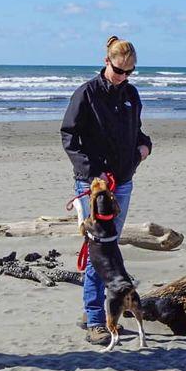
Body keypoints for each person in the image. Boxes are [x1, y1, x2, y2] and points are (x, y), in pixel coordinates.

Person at [61, 36, 152, 345]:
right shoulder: (86, 94)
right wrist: (92, 174)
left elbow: (137, 131)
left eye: (130, 72)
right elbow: (69, 138)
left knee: (110, 250)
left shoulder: (131, 95)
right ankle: (95, 319)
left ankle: (94, 313)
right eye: (119, 70)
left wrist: (143, 147)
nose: (124, 77)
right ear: (106, 62)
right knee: (98, 253)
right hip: (94, 186)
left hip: (123, 181)